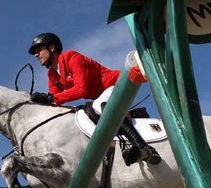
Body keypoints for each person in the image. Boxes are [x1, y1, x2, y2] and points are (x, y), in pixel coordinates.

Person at [27, 32, 160, 166]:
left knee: (99, 105)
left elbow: (81, 89)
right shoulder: (52, 75)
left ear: (51, 48)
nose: (36, 55)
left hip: (119, 84)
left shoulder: (70, 56)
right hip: (104, 95)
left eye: (39, 50)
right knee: (94, 107)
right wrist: (43, 101)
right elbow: (55, 102)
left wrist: (51, 99)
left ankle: (144, 147)